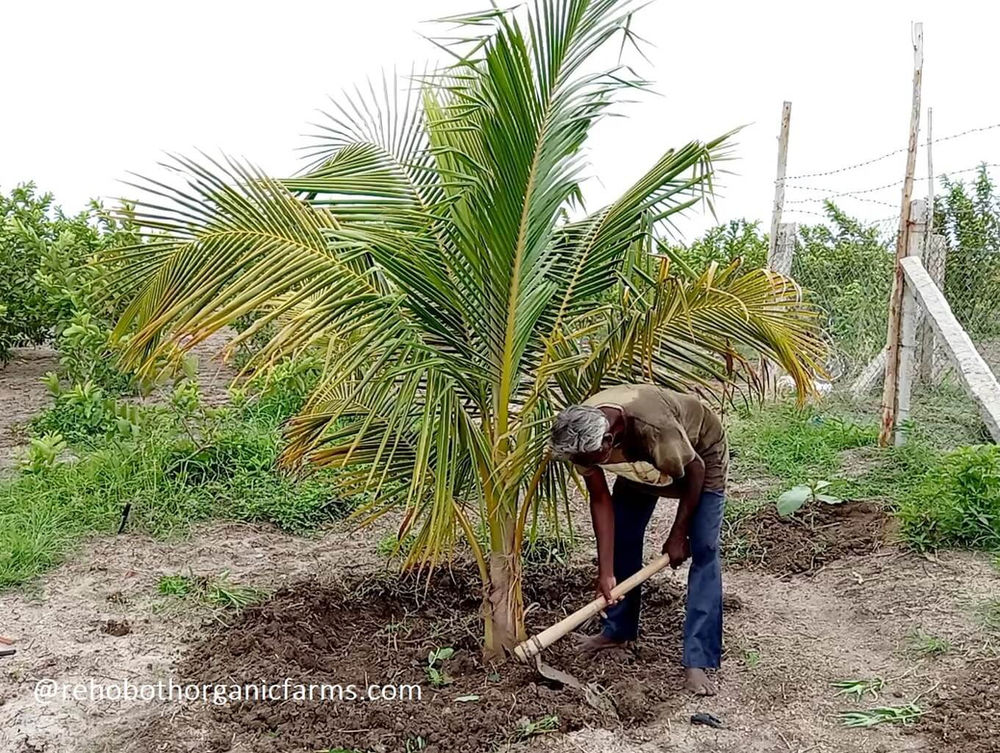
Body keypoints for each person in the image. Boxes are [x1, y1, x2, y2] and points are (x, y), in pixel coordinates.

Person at [548, 383, 728, 696]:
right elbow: (600, 501)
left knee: (704, 548)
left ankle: (698, 659)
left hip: (699, 456)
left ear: (607, 442)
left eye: (593, 459)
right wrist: (606, 573)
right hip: (640, 465)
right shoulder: (581, 435)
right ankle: (619, 632)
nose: (587, 465)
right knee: (623, 536)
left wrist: (678, 534)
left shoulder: (655, 429)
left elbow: (695, 470)